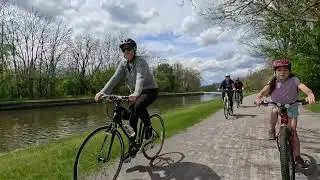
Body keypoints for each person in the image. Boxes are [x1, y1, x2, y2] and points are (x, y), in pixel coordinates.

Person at [94, 38, 158, 162]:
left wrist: (136, 93)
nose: (126, 51)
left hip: (149, 91)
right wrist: (103, 92)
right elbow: (114, 78)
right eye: (124, 49)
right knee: (130, 117)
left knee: (138, 107)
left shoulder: (141, 62)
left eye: (129, 48)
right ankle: (132, 150)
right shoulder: (123, 64)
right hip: (135, 93)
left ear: (134, 49)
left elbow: (140, 77)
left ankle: (149, 128)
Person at [255, 58, 315, 168]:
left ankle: (297, 157)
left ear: (289, 71)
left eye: (285, 70)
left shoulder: (294, 80)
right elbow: (263, 91)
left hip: (292, 106)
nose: (282, 72)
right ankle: (272, 129)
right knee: (273, 111)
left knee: (293, 131)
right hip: (278, 105)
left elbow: (303, 87)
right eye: (279, 70)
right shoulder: (273, 81)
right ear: (275, 72)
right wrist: (259, 97)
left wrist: (310, 94)